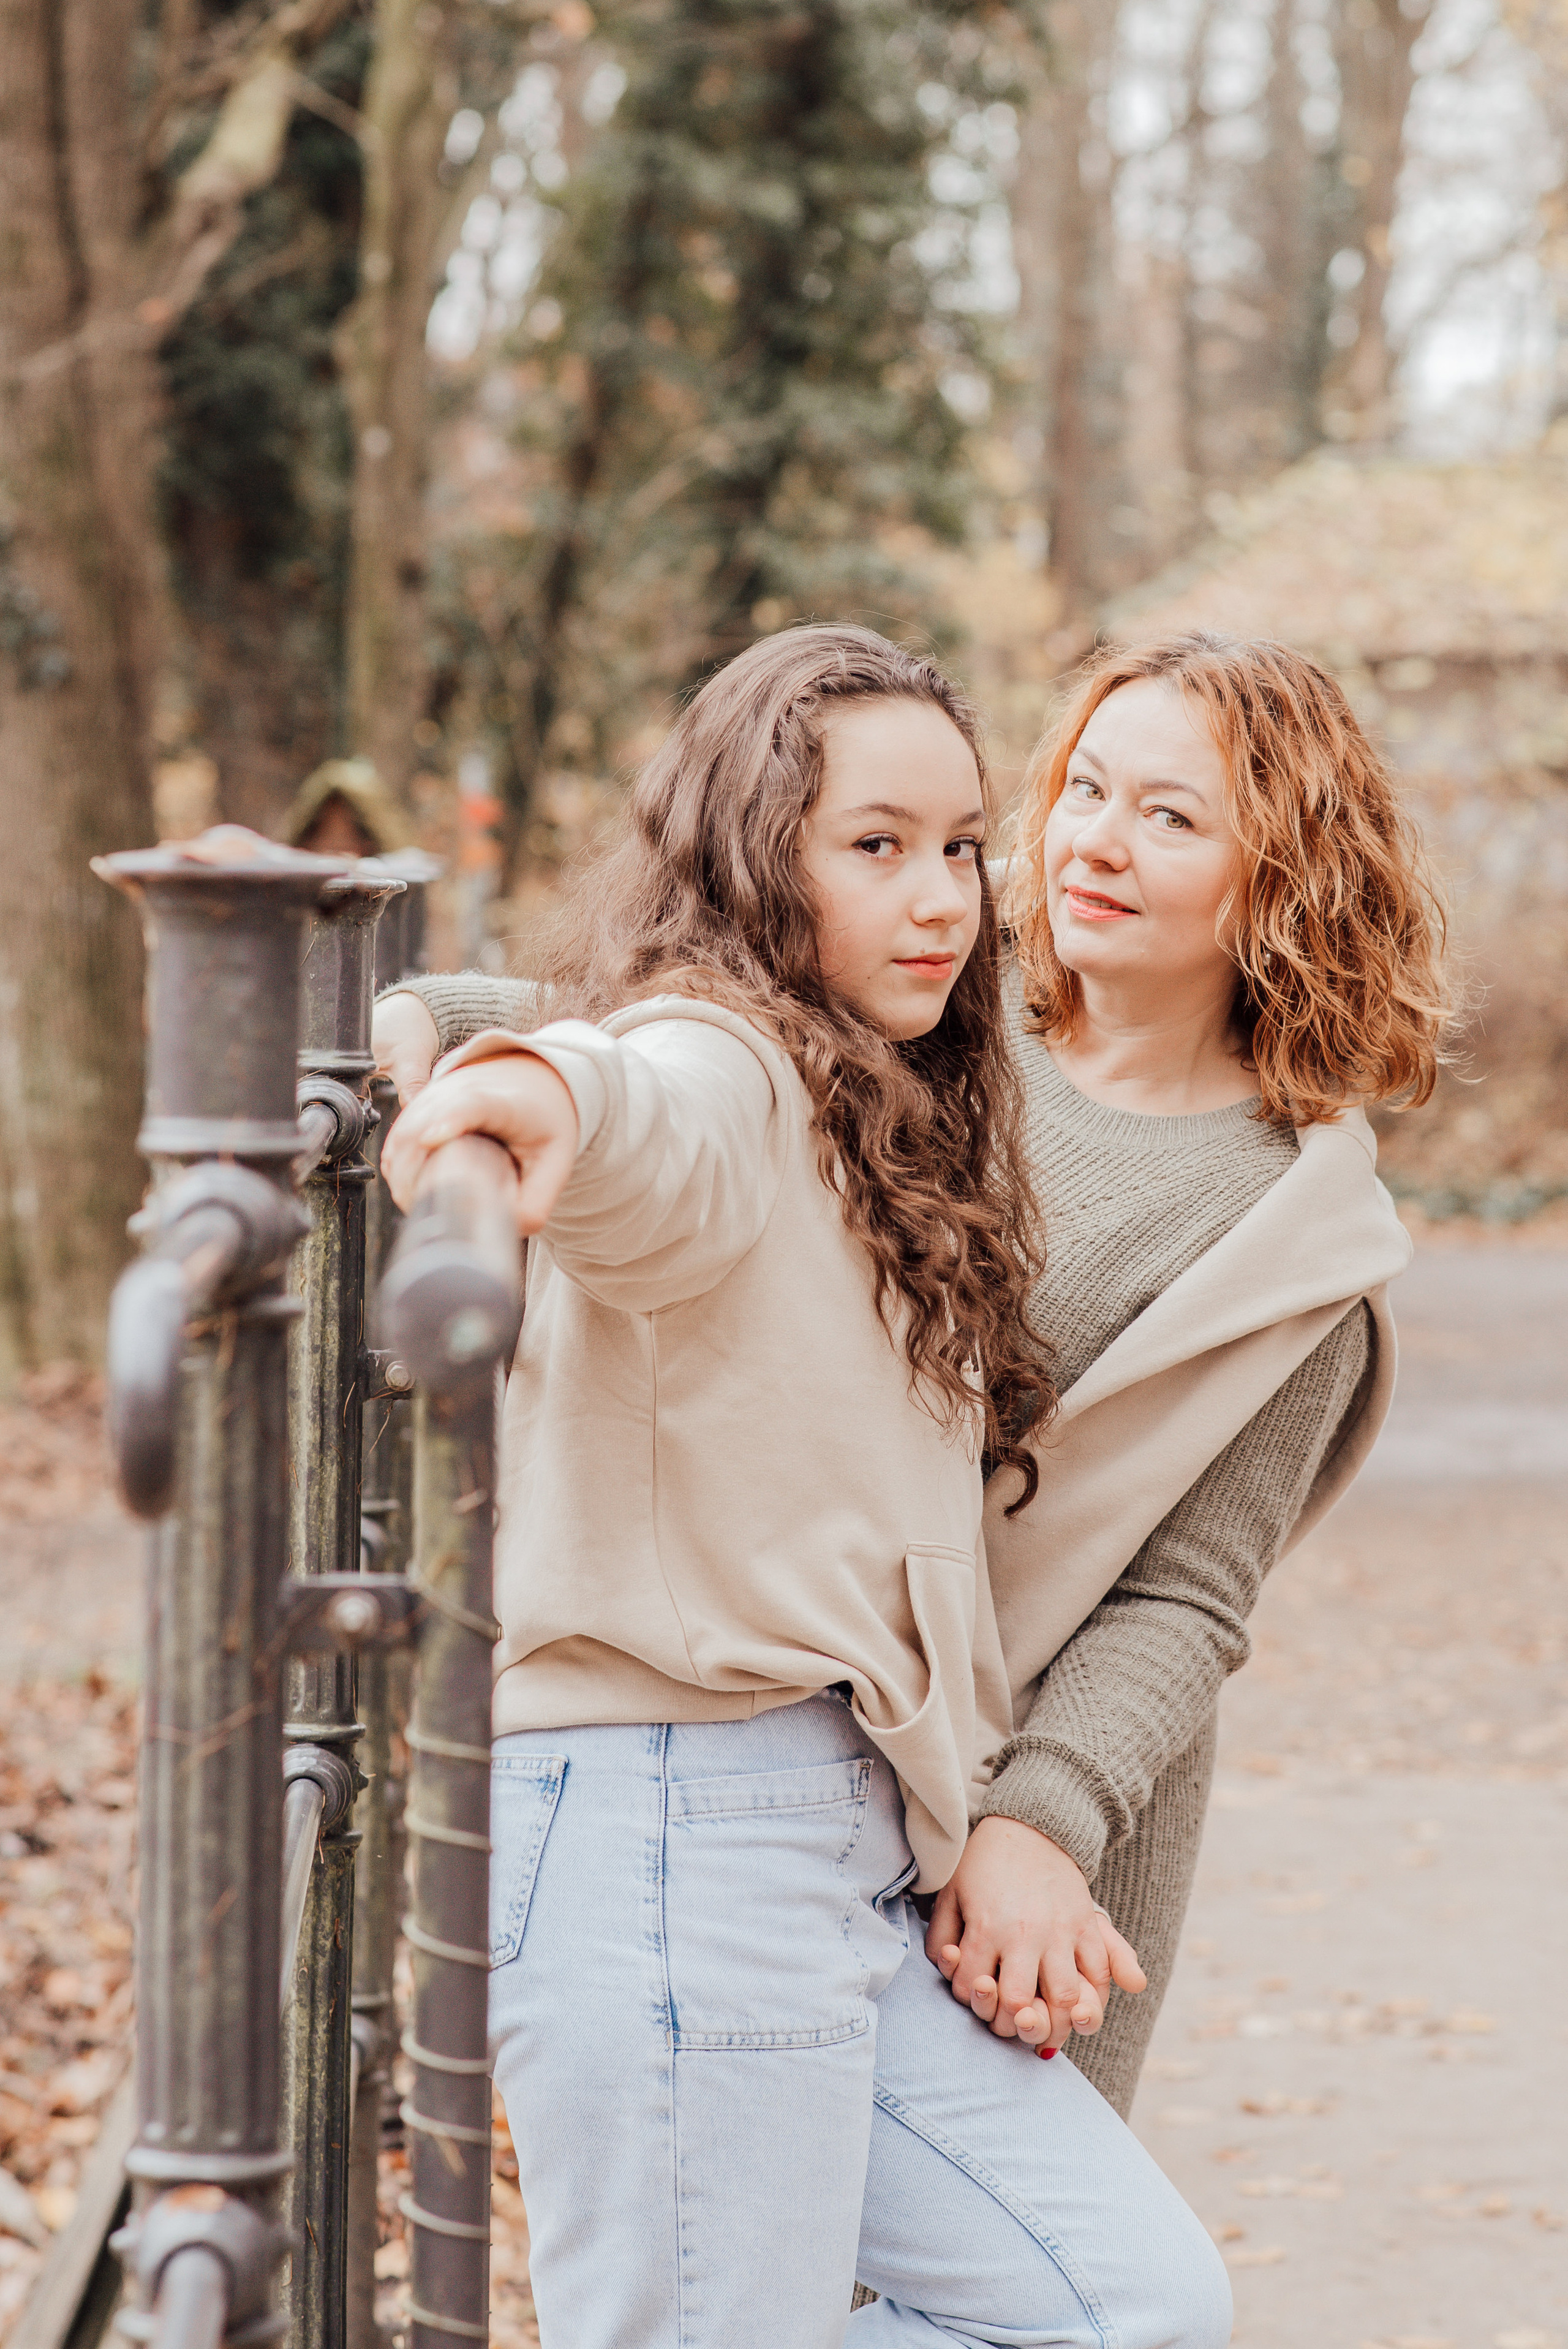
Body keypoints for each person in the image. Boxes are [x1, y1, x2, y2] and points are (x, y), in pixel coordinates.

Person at [375, 626, 1233, 2349]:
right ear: (757, 862)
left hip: (830, 1843)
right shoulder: (735, 1065)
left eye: (960, 845)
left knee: (1128, 2307)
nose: (944, 897)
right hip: (670, 1826)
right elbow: (650, 1108)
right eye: (875, 845)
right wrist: (537, 1090)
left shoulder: (883, 1107)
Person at [929, 633, 1450, 2116]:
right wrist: (450, 1029)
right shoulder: (934, 1020)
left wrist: (1037, 1829)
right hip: (802, 1737)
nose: (1095, 840)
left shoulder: (1293, 1239)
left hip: (1056, 1803)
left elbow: (1182, 1594)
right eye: (1085, 789)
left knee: (1030, 2292)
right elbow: (701, 1049)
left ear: (1282, 875)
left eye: (1171, 815)